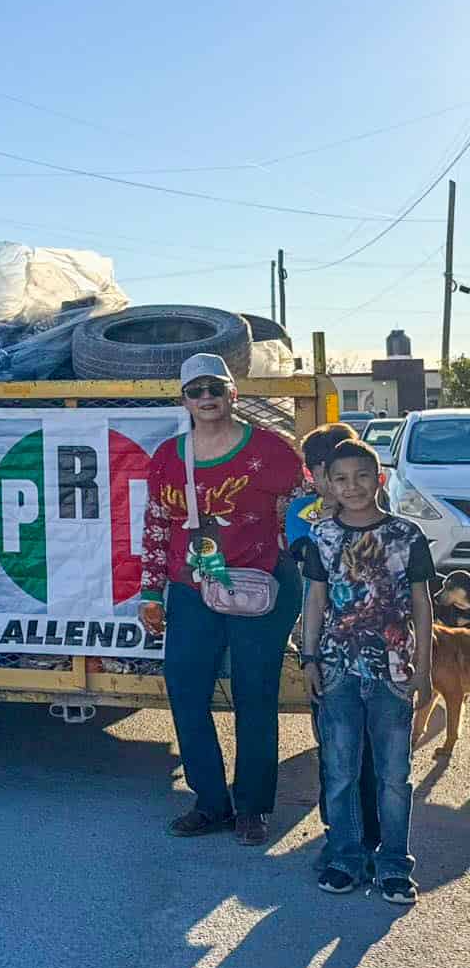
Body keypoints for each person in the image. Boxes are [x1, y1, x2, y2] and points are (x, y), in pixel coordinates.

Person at [139, 353, 305, 845]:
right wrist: (150, 591)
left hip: (261, 588)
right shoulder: (169, 456)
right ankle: (210, 801)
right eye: (196, 390)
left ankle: (253, 806)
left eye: (216, 388)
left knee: (256, 695)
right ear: (183, 399)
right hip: (192, 590)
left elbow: (303, 514)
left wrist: (297, 565)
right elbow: (155, 526)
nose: (206, 398)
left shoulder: (274, 450)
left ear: (234, 393)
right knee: (186, 691)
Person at [301, 439, 434, 904]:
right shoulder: (321, 536)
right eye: (341, 478)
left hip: (394, 670)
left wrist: (425, 666)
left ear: (379, 479)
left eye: (361, 476)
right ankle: (346, 857)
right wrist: (310, 657)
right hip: (337, 668)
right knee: (339, 771)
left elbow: (421, 601)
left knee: (394, 774)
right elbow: (315, 600)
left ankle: (394, 864)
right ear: (328, 484)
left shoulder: (407, 535)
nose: (352, 486)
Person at [286, 422, 382, 871]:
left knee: (376, 748)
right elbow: (307, 563)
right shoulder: (303, 513)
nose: (318, 480)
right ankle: (339, 836)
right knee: (335, 747)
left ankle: (377, 837)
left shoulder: (376, 511)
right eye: (318, 473)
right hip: (324, 650)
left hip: (379, 650)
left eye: (320, 470)